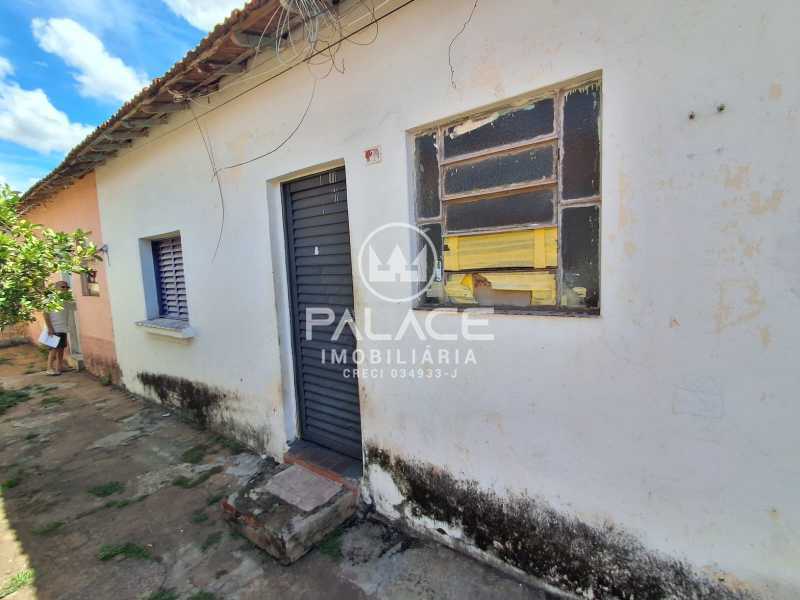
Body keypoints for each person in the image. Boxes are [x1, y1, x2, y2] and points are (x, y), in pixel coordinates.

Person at [43, 280, 70, 375]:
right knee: (53, 349)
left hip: (62, 328)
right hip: (54, 328)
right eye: (63, 287)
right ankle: (49, 368)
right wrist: (50, 328)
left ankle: (60, 366)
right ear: (56, 288)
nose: (65, 289)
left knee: (61, 348)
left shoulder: (65, 299)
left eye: (67, 287)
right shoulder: (51, 299)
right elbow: (45, 314)